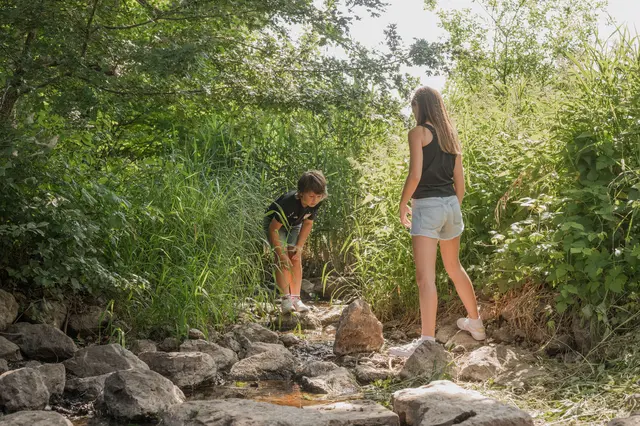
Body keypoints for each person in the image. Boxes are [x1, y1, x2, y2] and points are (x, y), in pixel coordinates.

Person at [388, 86, 485, 358]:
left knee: (425, 278)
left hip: (427, 206)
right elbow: (461, 185)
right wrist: (450, 207)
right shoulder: (450, 137)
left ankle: (426, 342)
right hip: (452, 205)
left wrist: (402, 204)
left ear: (420, 106)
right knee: (454, 267)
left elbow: (415, 175)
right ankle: (475, 324)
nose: (413, 112)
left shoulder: (418, 133)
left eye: (413, 107)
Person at [264, 170, 327, 313]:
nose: (315, 200)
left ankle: (296, 298)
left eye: (318, 196)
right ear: (301, 193)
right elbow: (273, 228)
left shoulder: (316, 201)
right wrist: (280, 254)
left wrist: (299, 246)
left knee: (295, 257)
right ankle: (285, 299)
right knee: (283, 259)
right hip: (274, 224)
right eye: (311, 196)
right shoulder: (289, 203)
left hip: (294, 223)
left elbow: (308, 224)